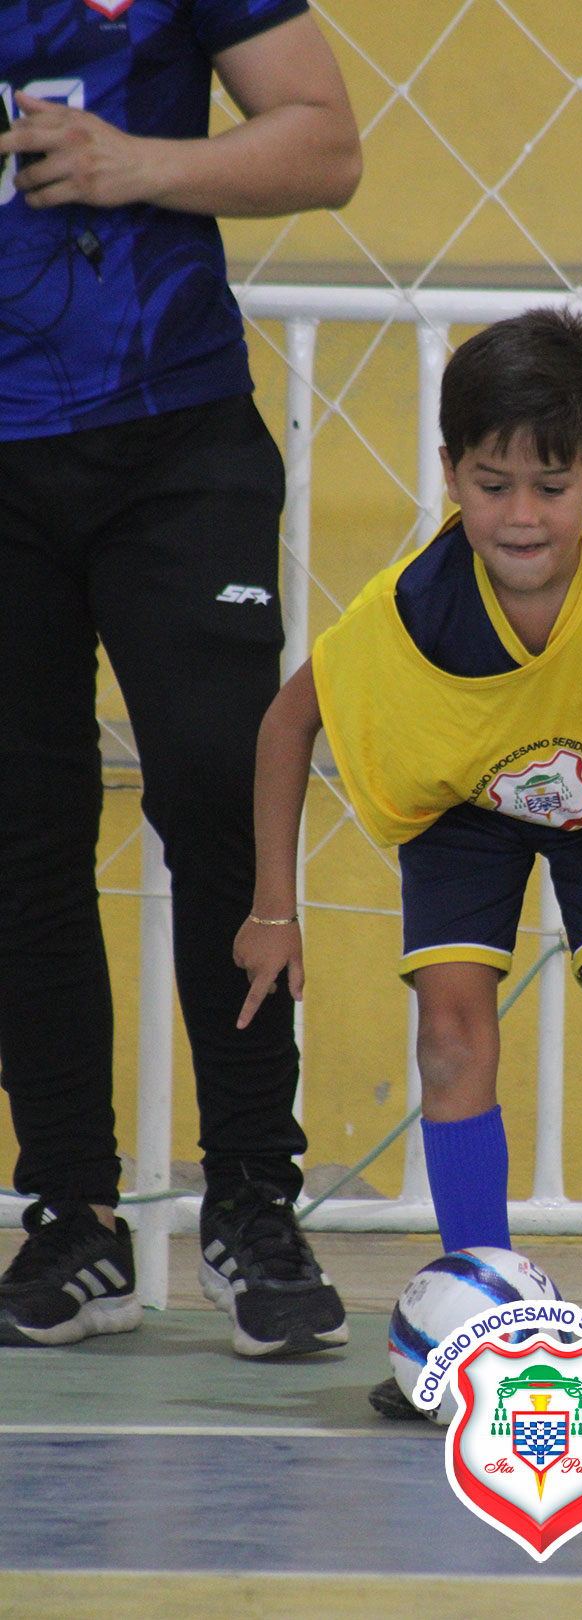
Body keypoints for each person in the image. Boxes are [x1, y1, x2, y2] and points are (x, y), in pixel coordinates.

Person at [233, 306, 582, 1418]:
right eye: (491, 484)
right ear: (450, 473)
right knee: (450, 1039)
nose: (521, 515)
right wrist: (273, 909)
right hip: (462, 808)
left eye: (551, 485)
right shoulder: (413, 608)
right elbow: (288, 722)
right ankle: (475, 1319)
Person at [0, 0, 362, 1357]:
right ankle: (72, 1215)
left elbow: (327, 144)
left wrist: (136, 163)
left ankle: (254, 1200)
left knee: (219, 786)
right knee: (22, 829)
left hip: (173, 432)